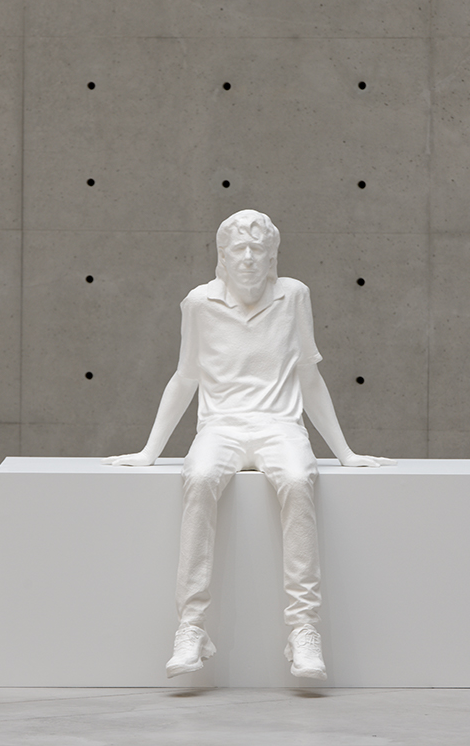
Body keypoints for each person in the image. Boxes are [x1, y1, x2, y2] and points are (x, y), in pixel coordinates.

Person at [105, 209, 390, 679]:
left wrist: (345, 452)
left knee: (298, 480)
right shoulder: (199, 303)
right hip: (221, 427)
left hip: (280, 425)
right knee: (198, 477)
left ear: (273, 255)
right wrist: (149, 451)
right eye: (239, 248)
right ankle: (191, 626)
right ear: (222, 255)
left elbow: (309, 376)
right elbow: (185, 377)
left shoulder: (293, 296)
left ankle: (303, 629)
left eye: (259, 249)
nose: (249, 258)